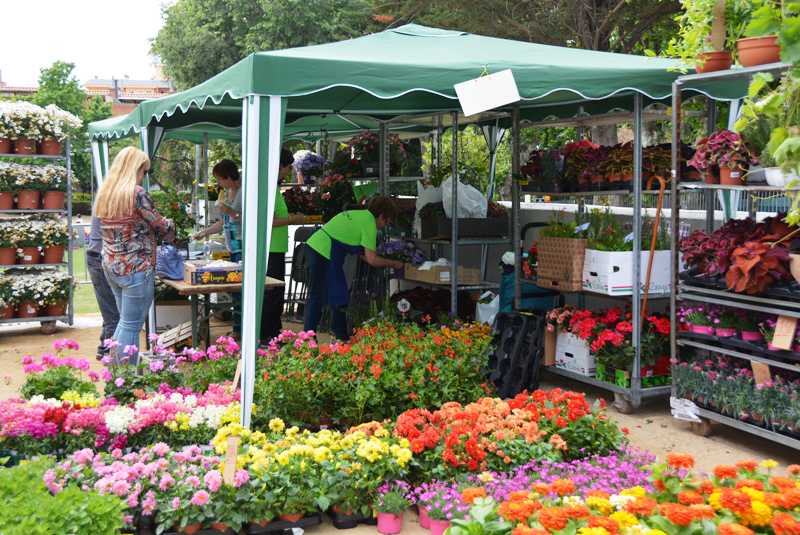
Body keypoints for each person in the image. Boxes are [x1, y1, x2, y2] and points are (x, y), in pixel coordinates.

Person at [95, 147, 175, 363]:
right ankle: (124, 377)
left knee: (124, 322)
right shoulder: (136, 193)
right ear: (135, 169)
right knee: (131, 325)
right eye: (144, 171)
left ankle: (117, 372)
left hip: (111, 265)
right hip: (135, 267)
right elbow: (159, 225)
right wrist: (171, 223)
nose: (144, 176)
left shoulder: (106, 192)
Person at [303, 196, 403, 340]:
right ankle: (317, 339)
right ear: (381, 216)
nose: (384, 226)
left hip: (317, 247)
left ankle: (335, 336)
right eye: (386, 222)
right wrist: (394, 263)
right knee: (324, 295)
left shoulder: (360, 215)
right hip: (324, 251)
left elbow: (361, 252)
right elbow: (372, 259)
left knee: (334, 294)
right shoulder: (369, 223)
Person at [261, 149, 308, 343]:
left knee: (277, 292)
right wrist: (293, 219)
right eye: (288, 167)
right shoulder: (269, 188)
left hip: (277, 247)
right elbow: (268, 221)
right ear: (279, 166)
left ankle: (274, 331)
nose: (289, 172)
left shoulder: (275, 187)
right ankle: (268, 334)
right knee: (272, 293)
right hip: (271, 249)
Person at [86, 215, 119, 360]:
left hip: (97, 255)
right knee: (113, 312)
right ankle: (111, 353)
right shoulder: (111, 200)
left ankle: (104, 347)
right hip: (102, 257)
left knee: (109, 309)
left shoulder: (103, 198)